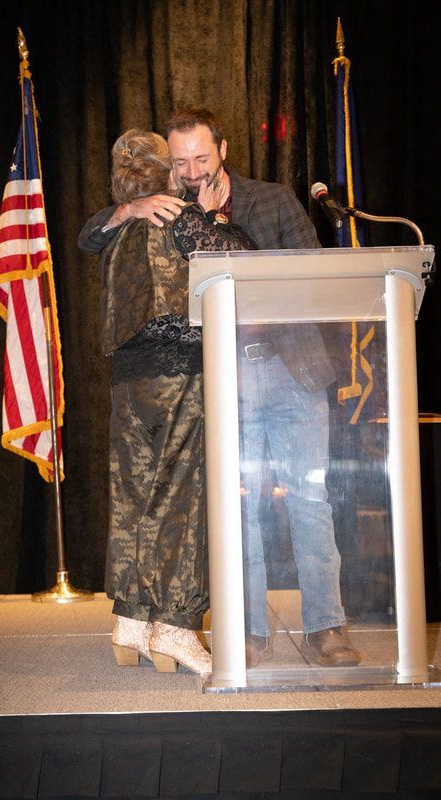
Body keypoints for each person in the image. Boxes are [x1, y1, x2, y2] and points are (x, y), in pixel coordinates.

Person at [79, 109, 361, 670]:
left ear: (222, 150)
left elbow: (309, 276)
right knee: (240, 509)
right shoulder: (165, 210)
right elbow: (90, 236)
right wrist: (133, 206)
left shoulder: (273, 199)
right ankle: (248, 629)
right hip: (222, 375)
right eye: (178, 162)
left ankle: (326, 628)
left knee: (309, 501)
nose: (188, 170)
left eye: (199, 159)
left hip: (289, 369)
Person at [78, 128, 255, 676]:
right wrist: (208, 215)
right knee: (182, 498)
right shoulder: (176, 215)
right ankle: (176, 626)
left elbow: (89, 238)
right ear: (168, 172)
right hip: (180, 376)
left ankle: (131, 620)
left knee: (135, 496)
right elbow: (241, 260)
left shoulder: (120, 225)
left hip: (127, 381)